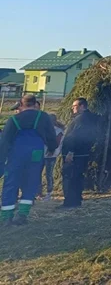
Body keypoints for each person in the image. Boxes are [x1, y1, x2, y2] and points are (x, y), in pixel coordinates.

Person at [0, 94, 57, 225]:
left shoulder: (14, 120)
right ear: (35, 103)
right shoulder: (43, 117)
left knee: (11, 184)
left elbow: (5, 142)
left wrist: (1, 160)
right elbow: (51, 135)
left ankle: (6, 217)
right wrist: (52, 148)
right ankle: (22, 215)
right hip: (36, 154)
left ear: (21, 104)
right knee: (31, 183)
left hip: (16, 155)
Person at [61, 98, 99, 209]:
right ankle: (77, 200)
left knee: (70, 177)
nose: (72, 108)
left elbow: (75, 136)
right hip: (84, 152)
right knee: (78, 177)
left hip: (75, 154)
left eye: (75, 106)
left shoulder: (81, 119)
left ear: (82, 106)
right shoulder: (92, 118)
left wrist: (70, 152)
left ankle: (70, 202)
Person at [39, 114, 65, 200]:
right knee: (38, 173)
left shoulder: (58, 130)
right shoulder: (45, 129)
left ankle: (49, 192)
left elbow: (57, 142)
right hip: (42, 154)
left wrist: (52, 150)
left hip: (51, 155)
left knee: (48, 174)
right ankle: (39, 192)